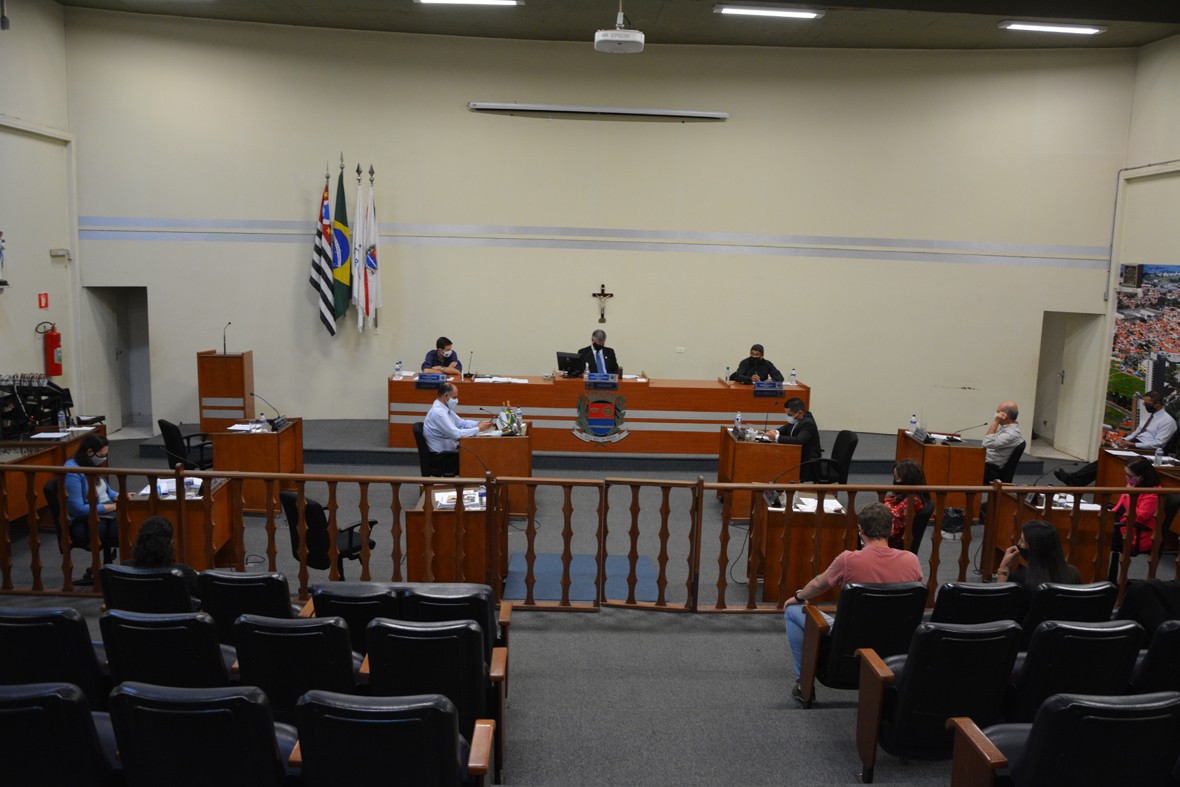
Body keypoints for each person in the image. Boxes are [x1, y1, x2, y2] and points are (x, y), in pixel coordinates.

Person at [784, 502, 923, 703]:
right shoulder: (911, 560)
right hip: (895, 645)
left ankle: (803, 684)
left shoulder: (848, 560)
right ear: (891, 528)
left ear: (861, 530)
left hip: (849, 645)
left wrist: (798, 597)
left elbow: (818, 584)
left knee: (793, 611)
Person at [1055, 390, 1176, 486]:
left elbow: (1158, 443)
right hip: (1133, 444)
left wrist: (1133, 445)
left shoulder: (1168, 421)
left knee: (1109, 458)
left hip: (1145, 450)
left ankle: (1075, 480)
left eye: (1147, 404)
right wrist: (1125, 440)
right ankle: (1075, 479)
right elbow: (1137, 432)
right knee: (1105, 455)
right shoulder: (1149, 416)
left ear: (1157, 404)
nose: (1145, 406)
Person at [124, 515, 201, 606]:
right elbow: (207, 594)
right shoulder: (182, 573)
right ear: (169, 545)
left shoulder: (124, 569)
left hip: (135, 615)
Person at [422, 382, 495, 475]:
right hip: (442, 458)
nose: (457, 400)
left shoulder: (445, 409)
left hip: (449, 453)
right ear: (446, 396)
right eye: (455, 397)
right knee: (478, 458)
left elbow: (461, 423)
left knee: (479, 453)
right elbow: (456, 435)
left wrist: (478, 424)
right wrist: (478, 429)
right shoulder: (438, 413)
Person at [1108, 455, 1160, 582]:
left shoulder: (1153, 495)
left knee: (1095, 536)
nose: (1127, 478)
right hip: (1120, 524)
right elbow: (1119, 507)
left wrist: (1129, 495)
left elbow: (1138, 518)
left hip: (1134, 533)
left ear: (1142, 477)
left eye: (1130, 476)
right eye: (1126, 474)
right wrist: (1107, 515)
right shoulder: (1134, 485)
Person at [64, 433, 118, 552]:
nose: (104, 458)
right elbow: (78, 509)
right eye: (102, 455)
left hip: (107, 512)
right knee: (134, 523)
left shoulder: (92, 464)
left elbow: (107, 492)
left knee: (139, 514)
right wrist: (112, 507)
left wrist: (120, 496)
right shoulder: (72, 471)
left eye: (106, 455)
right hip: (89, 521)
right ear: (89, 452)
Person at [996, 519, 1081, 590]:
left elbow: (1000, 601)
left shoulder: (1019, 579)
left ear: (1034, 549)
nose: (1018, 544)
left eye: (1022, 541)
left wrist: (1003, 568)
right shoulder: (1073, 574)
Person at [766, 397, 822, 482]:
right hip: (796, 456)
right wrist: (775, 431)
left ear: (800, 412)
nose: (788, 417)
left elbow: (798, 441)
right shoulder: (799, 418)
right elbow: (786, 428)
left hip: (806, 462)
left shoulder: (808, 423)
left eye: (789, 415)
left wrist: (776, 437)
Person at [883, 459, 931, 551]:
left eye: (898, 476)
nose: (895, 477)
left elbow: (892, 528)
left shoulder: (912, 500)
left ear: (909, 476)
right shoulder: (908, 494)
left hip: (889, 542)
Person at [982, 401, 1023, 482]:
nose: (996, 414)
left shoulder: (1011, 433)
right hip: (985, 464)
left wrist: (995, 422)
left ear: (1004, 415)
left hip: (990, 470)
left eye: (998, 412)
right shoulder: (1006, 428)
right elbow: (987, 440)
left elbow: (986, 443)